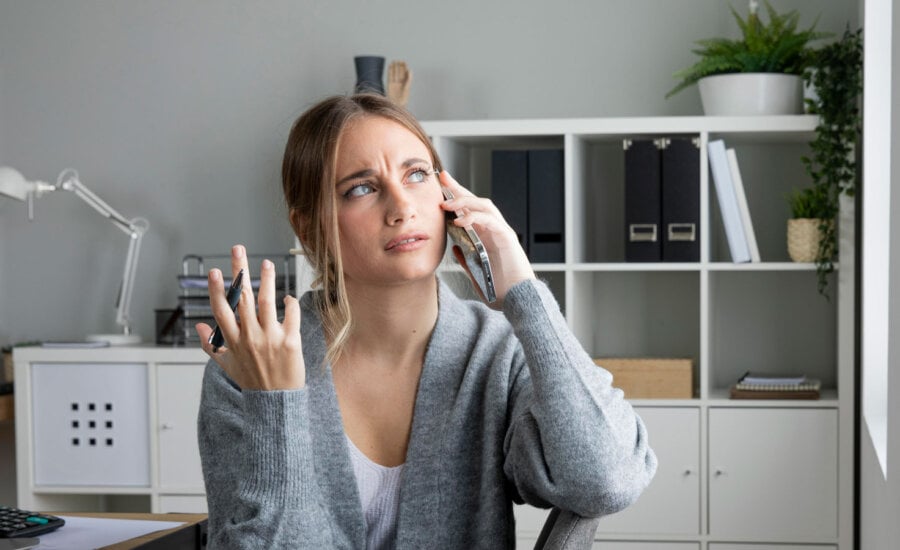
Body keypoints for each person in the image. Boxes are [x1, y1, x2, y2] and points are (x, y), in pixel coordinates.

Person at [195, 93, 657, 549]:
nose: (401, 208)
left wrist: (525, 294)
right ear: (309, 227)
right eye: (361, 187)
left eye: (416, 174)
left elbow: (607, 482)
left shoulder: (495, 353)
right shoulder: (250, 369)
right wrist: (276, 404)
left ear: (447, 194)